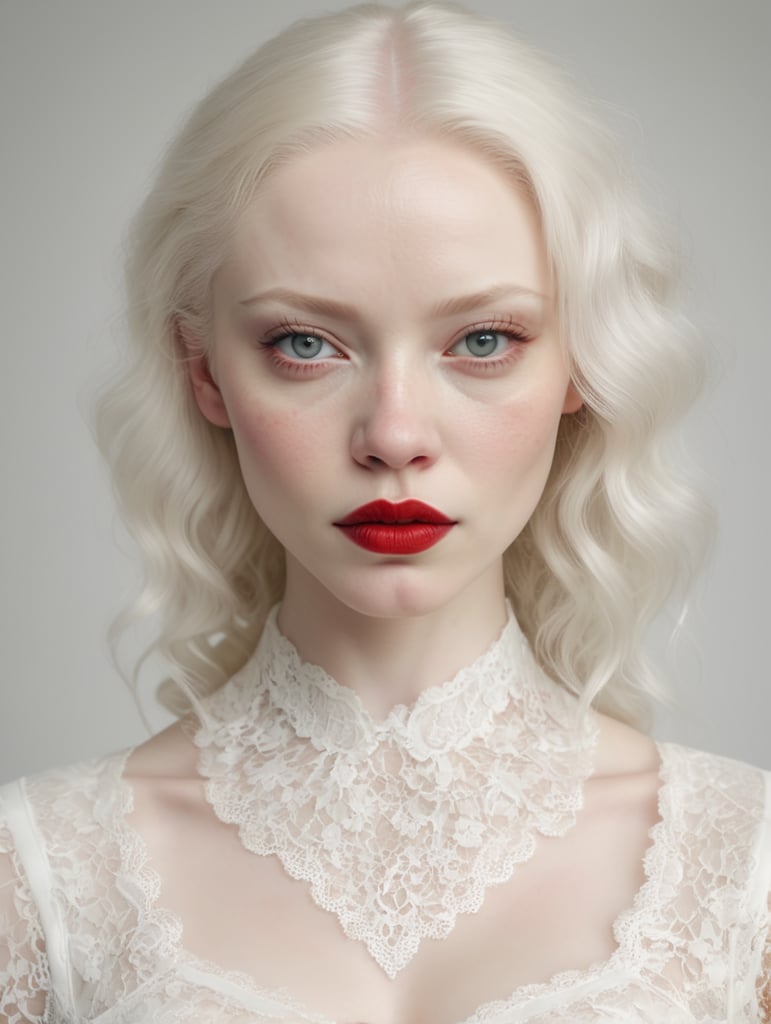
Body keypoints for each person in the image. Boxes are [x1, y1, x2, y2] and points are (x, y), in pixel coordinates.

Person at [0, 2, 768, 1021]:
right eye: (307, 344)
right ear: (205, 373)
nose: (395, 433)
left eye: (483, 340)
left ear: (582, 361)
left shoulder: (746, 869)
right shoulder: (39, 877)